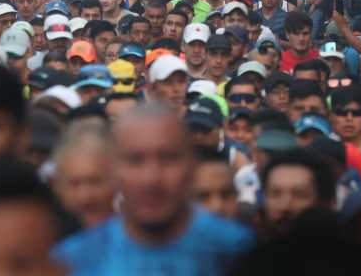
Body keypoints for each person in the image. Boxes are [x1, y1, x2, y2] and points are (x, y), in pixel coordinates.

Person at [54, 104, 253, 275]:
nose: (152, 178)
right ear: (112, 170)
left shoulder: (240, 252)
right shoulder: (72, 262)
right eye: (135, 160)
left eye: (167, 158)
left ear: (191, 166)